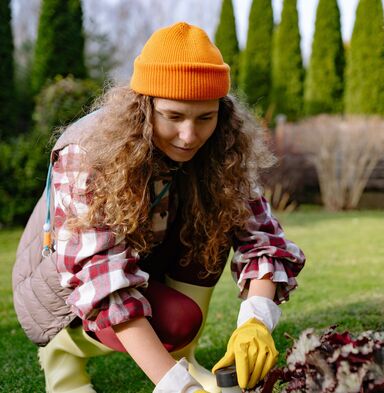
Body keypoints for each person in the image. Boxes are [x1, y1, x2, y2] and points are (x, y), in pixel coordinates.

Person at [12, 22, 305, 393]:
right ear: (143, 107)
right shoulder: (86, 152)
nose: (189, 136)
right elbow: (102, 283)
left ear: (222, 112)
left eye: (205, 118)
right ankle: (62, 354)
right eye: (173, 116)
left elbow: (261, 238)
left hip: (147, 255)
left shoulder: (222, 147)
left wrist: (256, 322)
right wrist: (175, 386)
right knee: (175, 320)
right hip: (63, 288)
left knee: (217, 221)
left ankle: (184, 358)